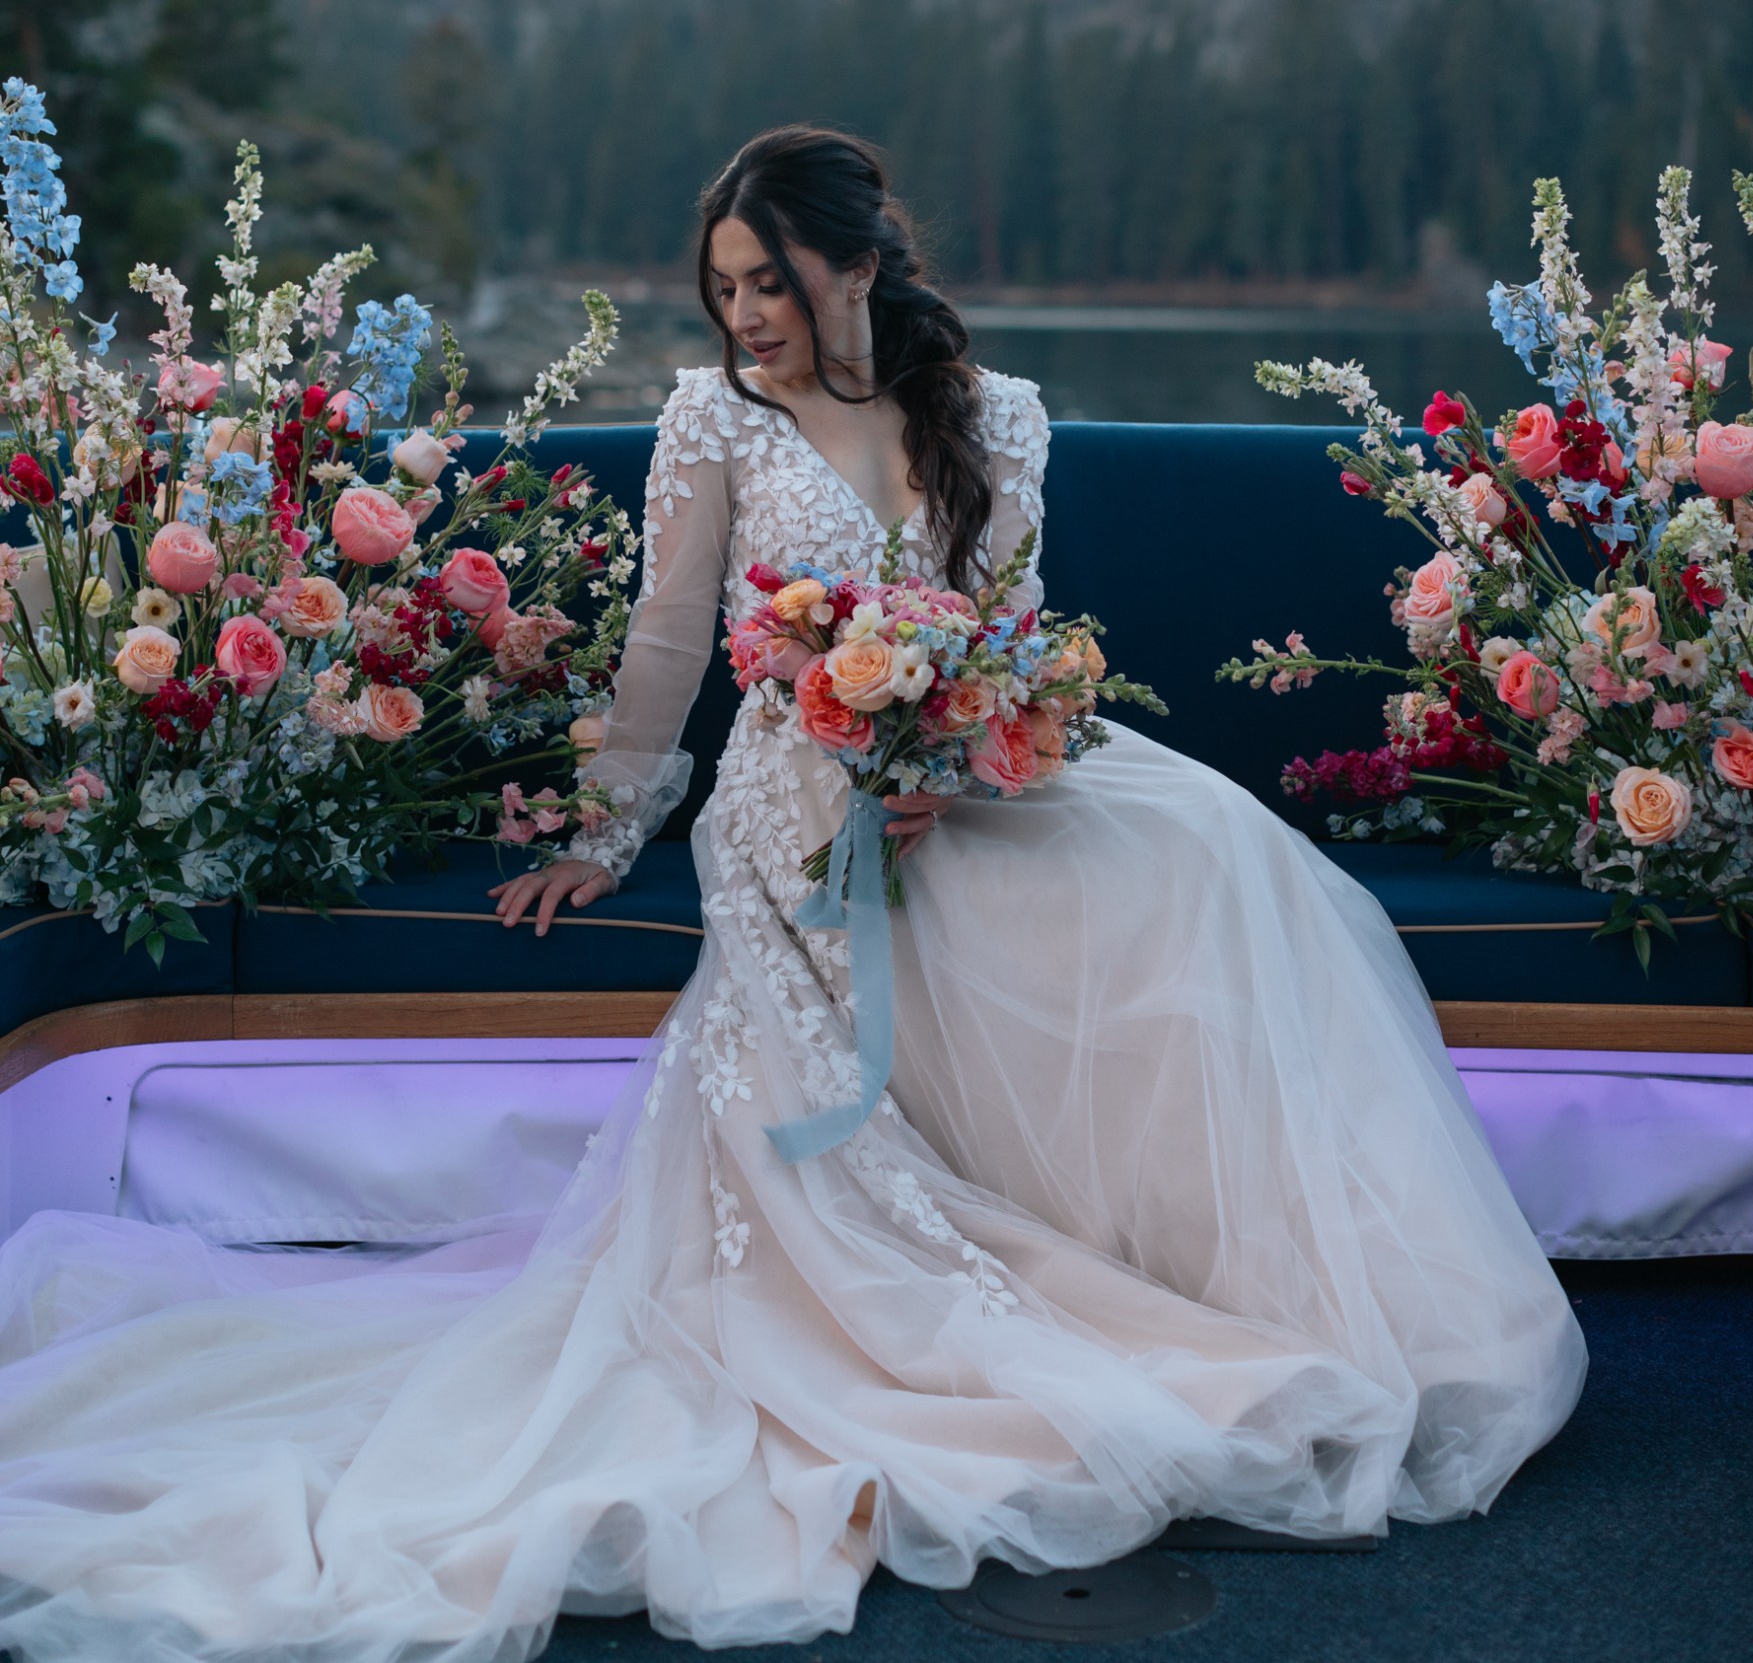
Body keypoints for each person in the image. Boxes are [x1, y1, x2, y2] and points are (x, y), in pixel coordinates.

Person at [0, 127, 1585, 1660]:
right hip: (791, 785)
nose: (747, 314)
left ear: (858, 263)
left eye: (770, 279)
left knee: (1225, 861)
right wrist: (605, 833)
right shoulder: (715, 422)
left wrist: (966, 756)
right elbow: (672, 642)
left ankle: (1236, 1274)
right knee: (1040, 907)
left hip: (979, 770)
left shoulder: (1001, 415)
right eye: (727, 287)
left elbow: (1013, 631)